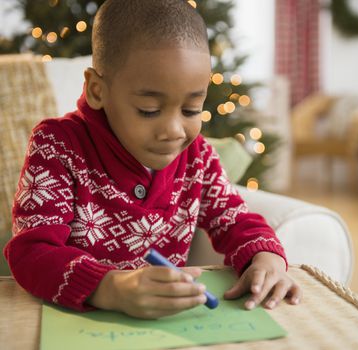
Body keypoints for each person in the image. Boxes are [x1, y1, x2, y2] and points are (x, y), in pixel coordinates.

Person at [3, 0, 301, 319]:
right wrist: (110, 288)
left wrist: (267, 258)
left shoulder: (197, 156)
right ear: (97, 90)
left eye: (190, 110)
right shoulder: (58, 145)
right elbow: (31, 252)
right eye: (149, 110)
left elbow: (235, 220)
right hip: (73, 322)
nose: (173, 131)